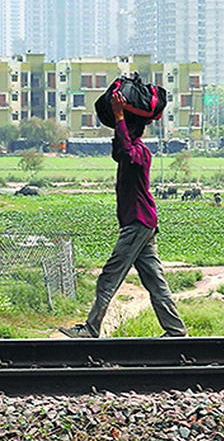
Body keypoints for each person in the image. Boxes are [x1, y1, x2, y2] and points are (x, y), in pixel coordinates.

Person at [61, 91, 187, 338]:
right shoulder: (128, 153)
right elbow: (119, 150)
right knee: (155, 281)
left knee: (109, 276)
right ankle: (176, 331)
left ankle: (91, 328)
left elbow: (126, 151)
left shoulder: (140, 152)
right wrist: (119, 121)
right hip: (143, 223)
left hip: (138, 223)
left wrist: (119, 116)